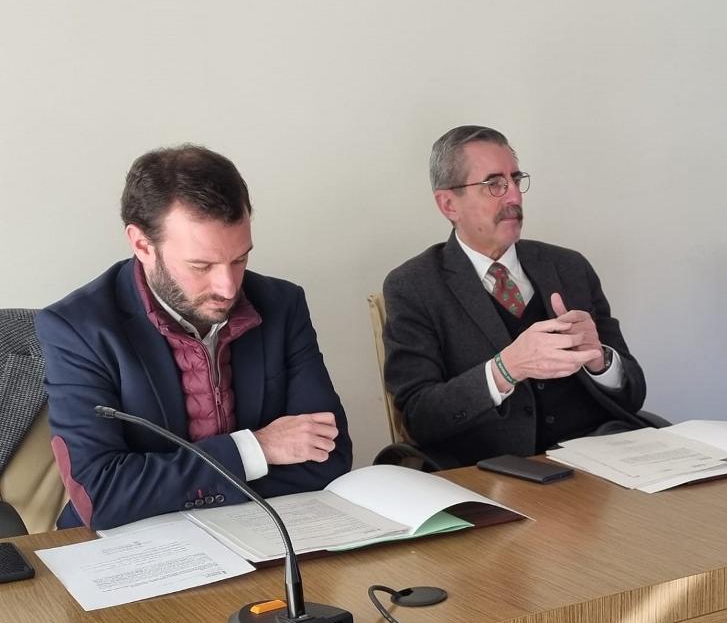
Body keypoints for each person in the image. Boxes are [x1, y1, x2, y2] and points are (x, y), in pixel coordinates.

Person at [37, 145, 351, 530]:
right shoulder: (78, 329)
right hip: (129, 552)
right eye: (201, 265)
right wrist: (257, 449)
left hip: (269, 532)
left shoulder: (282, 304)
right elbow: (100, 495)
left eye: (240, 259)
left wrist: (158, 487)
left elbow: (328, 458)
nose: (228, 286)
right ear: (141, 245)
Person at [383, 125, 647, 468]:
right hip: (496, 472)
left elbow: (633, 395)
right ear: (449, 204)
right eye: (494, 184)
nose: (514, 197)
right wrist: (505, 370)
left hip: (602, 460)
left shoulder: (569, 267)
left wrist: (601, 361)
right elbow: (421, 418)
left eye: (516, 179)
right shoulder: (414, 287)